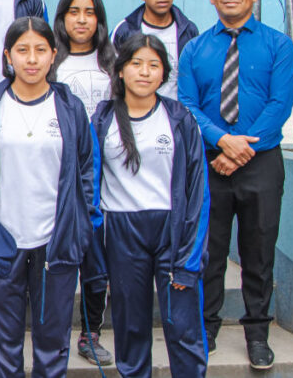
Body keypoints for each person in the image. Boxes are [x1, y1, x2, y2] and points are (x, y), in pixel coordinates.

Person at [0, 16, 104, 378]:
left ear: (53, 55)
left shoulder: (70, 108)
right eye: (22, 50)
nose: (31, 59)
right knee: (5, 344)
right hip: (2, 240)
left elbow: (87, 169)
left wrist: (80, 225)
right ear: (7, 56)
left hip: (56, 241)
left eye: (40, 50)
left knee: (53, 341)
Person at [178, 0, 293, 370]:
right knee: (209, 252)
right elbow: (188, 105)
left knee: (258, 252)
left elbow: (279, 104)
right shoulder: (195, 49)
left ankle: (257, 334)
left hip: (261, 163)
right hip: (209, 163)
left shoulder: (279, 45)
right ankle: (206, 328)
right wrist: (221, 142)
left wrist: (240, 149)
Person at [93, 33, 209, 377]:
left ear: (164, 73)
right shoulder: (102, 119)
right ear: (120, 70)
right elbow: (88, 185)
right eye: (136, 63)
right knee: (130, 327)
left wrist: (189, 258)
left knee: (183, 326)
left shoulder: (180, 119)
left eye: (153, 65)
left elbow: (198, 192)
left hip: (172, 231)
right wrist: (96, 252)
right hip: (122, 232)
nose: (144, 72)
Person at [52, 0, 117, 367]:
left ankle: (90, 333)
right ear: (62, 19)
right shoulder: (52, 61)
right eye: (73, 12)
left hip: (108, 174)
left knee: (96, 261)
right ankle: (53, 335)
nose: (81, 20)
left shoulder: (112, 63)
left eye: (89, 12)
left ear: (99, 19)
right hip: (60, 173)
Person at [111, 0, 200, 99]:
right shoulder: (125, 30)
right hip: (134, 109)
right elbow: (113, 76)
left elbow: (195, 78)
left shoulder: (189, 30)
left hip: (177, 110)